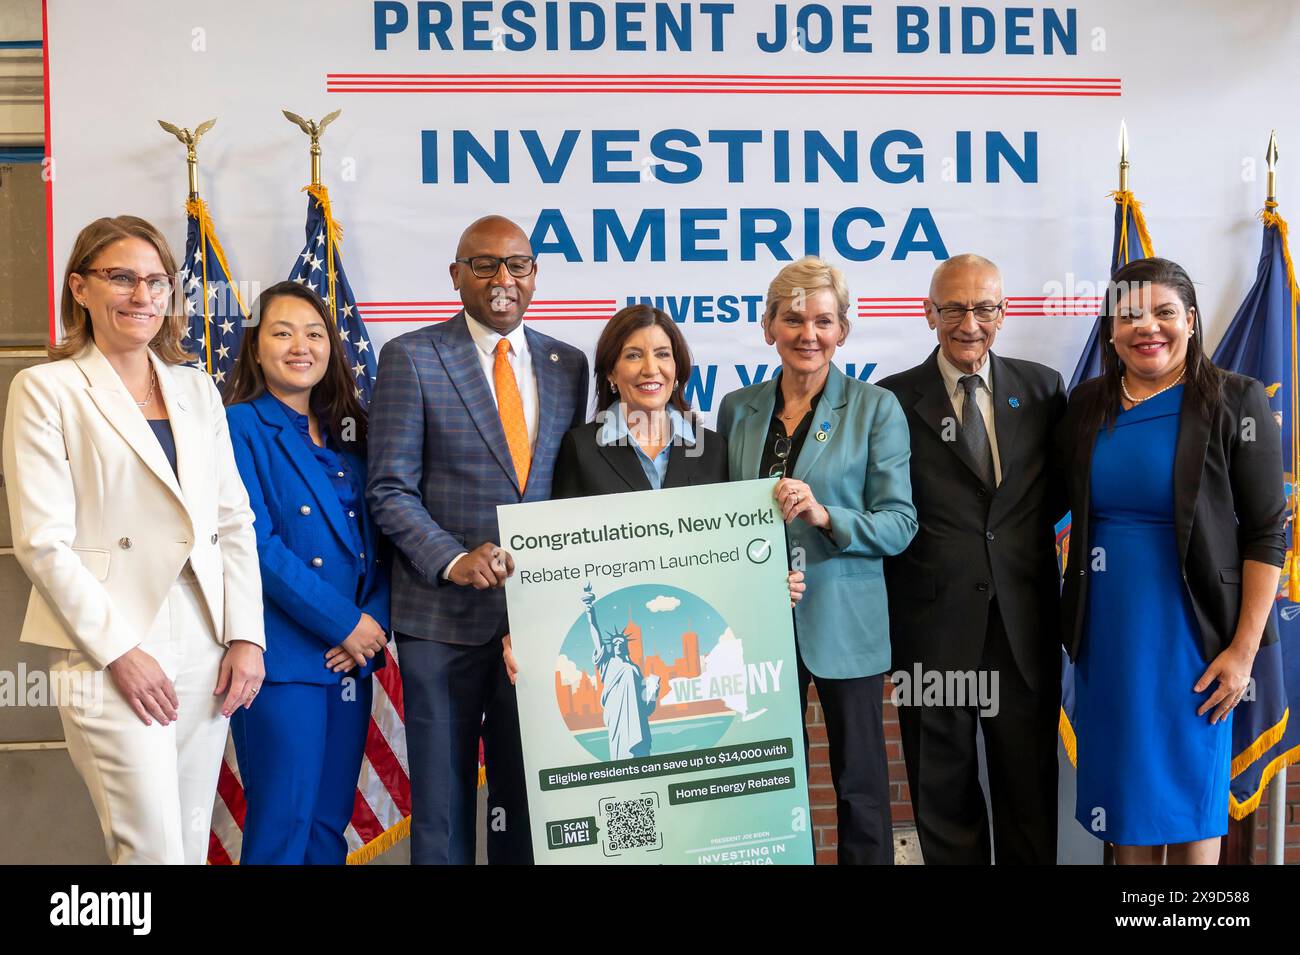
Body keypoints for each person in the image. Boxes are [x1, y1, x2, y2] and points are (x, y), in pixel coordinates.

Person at [2, 215, 265, 864]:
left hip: (207, 639)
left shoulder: (195, 387)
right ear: (80, 287)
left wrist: (247, 634)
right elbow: (41, 542)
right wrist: (120, 648)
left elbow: (233, 520)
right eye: (122, 277)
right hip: (110, 643)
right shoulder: (45, 389)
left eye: (156, 281)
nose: (143, 295)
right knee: (149, 851)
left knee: (189, 836)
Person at [366, 214, 589, 864]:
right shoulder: (411, 356)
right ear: (456, 275)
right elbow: (388, 488)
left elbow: (572, 490)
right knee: (442, 809)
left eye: (516, 264)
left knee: (530, 805)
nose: (502, 278)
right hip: (442, 624)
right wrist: (453, 558)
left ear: (534, 276)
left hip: (539, 626)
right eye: (485, 264)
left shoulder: (566, 364)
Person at [1057, 256, 1285, 865]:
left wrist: (1242, 652)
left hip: (1198, 639)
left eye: (1163, 312)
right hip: (1108, 636)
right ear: (1110, 329)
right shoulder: (1084, 406)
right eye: (1130, 315)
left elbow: (1267, 533)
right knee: (1125, 811)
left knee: (1191, 804)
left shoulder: (1235, 401)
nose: (1147, 327)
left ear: (1190, 321)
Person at [502, 303, 804, 723]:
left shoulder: (712, 447)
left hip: (698, 639)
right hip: (619, 641)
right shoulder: (580, 448)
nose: (651, 368)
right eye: (633, 355)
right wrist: (529, 627)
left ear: (678, 369)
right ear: (610, 372)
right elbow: (559, 556)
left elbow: (731, 544)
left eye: (663, 354)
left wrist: (769, 580)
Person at [716, 255, 918, 865]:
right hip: (758, 624)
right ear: (768, 326)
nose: (809, 333)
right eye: (794, 319)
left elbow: (900, 525)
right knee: (772, 784)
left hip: (844, 621)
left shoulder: (876, 408)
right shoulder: (736, 408)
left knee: (860, 783)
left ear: (843, 331)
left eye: (824, 321)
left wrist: (826, 515)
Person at [878, 253, 1067, 865]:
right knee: (942, 796)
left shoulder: (1043, 389)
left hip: (1023, 628)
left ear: (1003, 314)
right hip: (930, 633)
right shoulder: (891, 400)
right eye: (953, 307)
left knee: (1028, 794)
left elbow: (1061, 492)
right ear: (928, 313)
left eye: (984, 307)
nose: (969, 322)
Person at [222, 281, 390, 865]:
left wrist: (374, 623)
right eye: (283, 332)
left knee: (327, 826)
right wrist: (344, 621)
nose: (301, 345)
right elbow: (254, 544)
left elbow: (387, 542)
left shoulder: (352, 435)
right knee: (282, 826)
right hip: (283, 660)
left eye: (315, 333)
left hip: (351, 661)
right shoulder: (237, 427)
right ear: (256, 347)